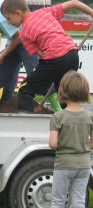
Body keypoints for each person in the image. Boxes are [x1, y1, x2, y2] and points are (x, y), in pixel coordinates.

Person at [0, 0, 93, 112]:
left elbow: (43, 56)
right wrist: (91, 13)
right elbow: (74, 2)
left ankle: (27, 124)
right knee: (65, 93)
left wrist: (53, 68)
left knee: (25, 90)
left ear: (18, 13)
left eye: (8, 18)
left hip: (54, 59)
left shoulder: (24, 34)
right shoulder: (44, 12)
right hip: (72, 54)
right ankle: (71, 120)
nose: (8, 23)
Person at [49, 70, 93, 208]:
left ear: (63, 91)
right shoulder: (89, 116)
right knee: (79, 200)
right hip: (84, 164)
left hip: (64, 164)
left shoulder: (58, 117)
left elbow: (53, 144)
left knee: (58, 201)